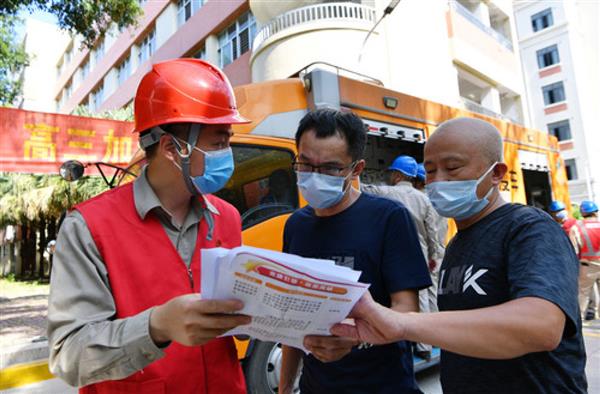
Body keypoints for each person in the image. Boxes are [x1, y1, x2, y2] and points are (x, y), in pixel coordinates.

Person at [332, 117, 587, 393]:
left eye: (452, 168)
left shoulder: (529, 228)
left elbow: (541, 325)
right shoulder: (458, 244)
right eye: (429, 171)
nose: (438, 181)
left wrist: (403, 323)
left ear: (497, 173)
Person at [47, 59, 252, 392]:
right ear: (173, 148)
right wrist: (156, 327)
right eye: (218, 142)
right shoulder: (88, 227)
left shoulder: (226, 216)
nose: (228, 154)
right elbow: (69, 356)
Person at [278, 108, 431, 394]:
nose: (314, 176)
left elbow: (407, 310)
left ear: (356, 169)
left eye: (331, 168)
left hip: (382, 385)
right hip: (316, 386)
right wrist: (285, 387)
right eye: (306, 164)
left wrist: (355, 338)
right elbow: (293, 323)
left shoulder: (389, 218)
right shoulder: (296, 225)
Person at [362, 155, 446, 359]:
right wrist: (435, 255)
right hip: (422, 252)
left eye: (392, 173)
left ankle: (419, 343)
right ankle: (429, 342)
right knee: (426, 296)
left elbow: (363, 188)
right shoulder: (424, 199)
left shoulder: (387, 192)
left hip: (397, 253)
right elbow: (433, 232)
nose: (390, 176)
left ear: (398, 175)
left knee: (409, 297)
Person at [569, 200, 600, 321]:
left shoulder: (576, 227)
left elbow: (574, 249)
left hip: (587, 265)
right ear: (595, 212)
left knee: (583, 293)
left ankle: (579, 319)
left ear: (582, 213)